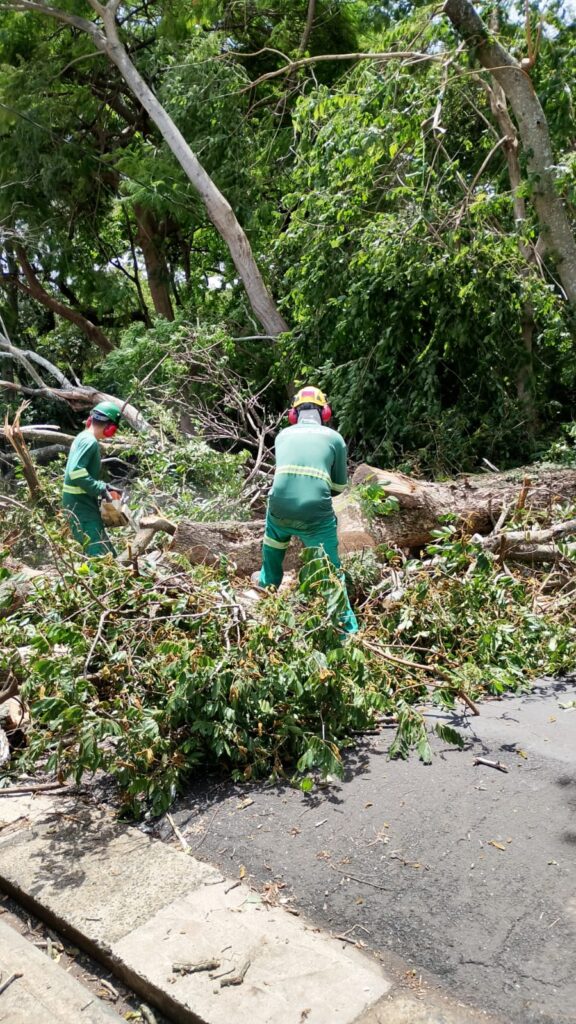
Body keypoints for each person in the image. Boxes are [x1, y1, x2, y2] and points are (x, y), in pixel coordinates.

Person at [256, 385, 358, 635]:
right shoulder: (335, 439)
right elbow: (339, 487)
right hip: (315, 516)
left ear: (294, 414)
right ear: (325, 413)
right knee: (330, 570)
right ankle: (348, 630)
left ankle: (267, 586)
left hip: (278, 510)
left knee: (273, 543)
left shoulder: (283, 436)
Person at [62, 401, 122, 557]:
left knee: (105, 549)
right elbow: (75, 472)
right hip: (79, 504)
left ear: (91, 420)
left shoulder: (82, 437)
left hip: (79, 501)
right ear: (110, 428)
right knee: (99, 553)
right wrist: (99, 488)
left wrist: (104, 486)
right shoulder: (90, 442)